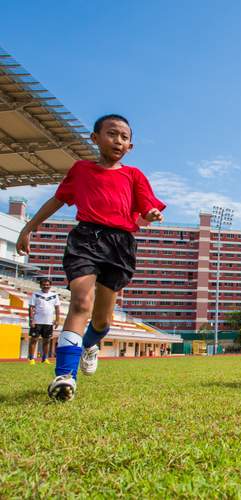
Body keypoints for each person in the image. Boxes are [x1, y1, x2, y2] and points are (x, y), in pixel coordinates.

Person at [16, 114, 165, 401]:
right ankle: (65, 376)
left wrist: (151, 214)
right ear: (95, 138)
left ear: (130, 146)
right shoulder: (81, 170)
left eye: (124, 137)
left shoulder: (134, 175)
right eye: (111, 134)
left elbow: (146, 208)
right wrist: (28, 227)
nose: (118, 140)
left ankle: (90, 344)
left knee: (102, 320)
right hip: (85, 238)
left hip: (120, 244)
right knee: (81, 302)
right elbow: (57, 199)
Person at [27, 278, 60, 365]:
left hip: (48, 322)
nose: (46, 286)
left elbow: (57, 308)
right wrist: (31, 320)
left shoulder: (54, 295)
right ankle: (31, 358)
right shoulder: (36, 294)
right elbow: (31, 307)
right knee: (34, 340)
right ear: (41, 285)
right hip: (37, 321)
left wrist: (57, 320)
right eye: (44, 284)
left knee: (47, 341)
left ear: (50, 285)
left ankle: (45, 358)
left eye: (47, 284)